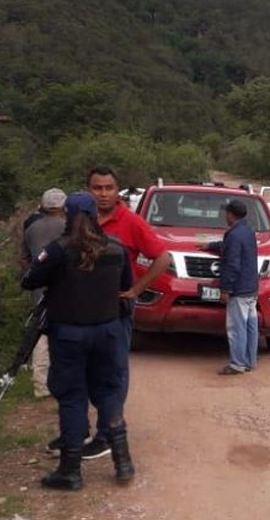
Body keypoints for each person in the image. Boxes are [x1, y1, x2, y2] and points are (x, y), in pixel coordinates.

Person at [21, 193, 134, 491]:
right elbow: (126, 285)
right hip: (108, 332)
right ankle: (123, 462)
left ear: (67, 216)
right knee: (108, 392)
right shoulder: (116, 248)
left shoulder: (58, 251)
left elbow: (28, 280)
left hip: (69, 335)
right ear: (96, 215)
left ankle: (70, 471)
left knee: (72, 397)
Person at [83, 166, 170, 460]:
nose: (103, 194)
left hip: (117, 308)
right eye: (97, 188)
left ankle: (108, 433)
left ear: (116, 190)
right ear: (88, 191)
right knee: (86, 369)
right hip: (84, 308)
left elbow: (162, 257)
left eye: (108, 188)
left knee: (115, 369)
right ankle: (81, 430)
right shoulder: (82, 220)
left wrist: (136, 289)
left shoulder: (130, 221)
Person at [21, 188, 67, 399]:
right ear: (63, 206)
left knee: (40, 333)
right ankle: (62, 380)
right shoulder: (67, 227)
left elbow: (24, 259)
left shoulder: (31, 228)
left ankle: (40, 385)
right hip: (64, 288)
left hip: (39, 288)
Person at [203, 201, 259, 375]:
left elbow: (232, 265)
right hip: (251, 287)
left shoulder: (234, 235)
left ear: (231, 214)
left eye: (226, 213)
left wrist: (226, 289)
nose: (225, 216)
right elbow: (230, 247)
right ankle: (249, 361)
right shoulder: (248, 231)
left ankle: (237, 364)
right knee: (250, 326)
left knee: (236, 327)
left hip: (239, 289)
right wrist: (211, 246)